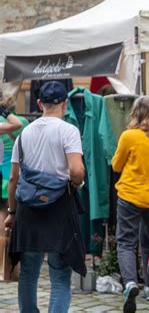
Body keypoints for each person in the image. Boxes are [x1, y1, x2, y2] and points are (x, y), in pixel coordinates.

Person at [4, 81, 86, 313]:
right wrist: (77, 183)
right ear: (64, 103)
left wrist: (11, 212)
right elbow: (77, 170)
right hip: (59, 208)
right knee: (59, 273)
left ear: (39, 103)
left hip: (28, 210)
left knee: (29, 272)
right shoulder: (68, 130)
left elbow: (13, 179)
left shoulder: (25, 133)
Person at [112, 96, 149, 312]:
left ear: (135, 113)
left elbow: (117, 165)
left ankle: (130, 283)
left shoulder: (129, 136)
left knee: (126, 242)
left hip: (130, 196)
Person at [0, 94, 28, 235]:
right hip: (17, 173)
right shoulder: (23, 122)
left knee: (2, 213)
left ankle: (2, 250)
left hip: (2, 173)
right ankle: (10, 250)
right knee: (15, 213)